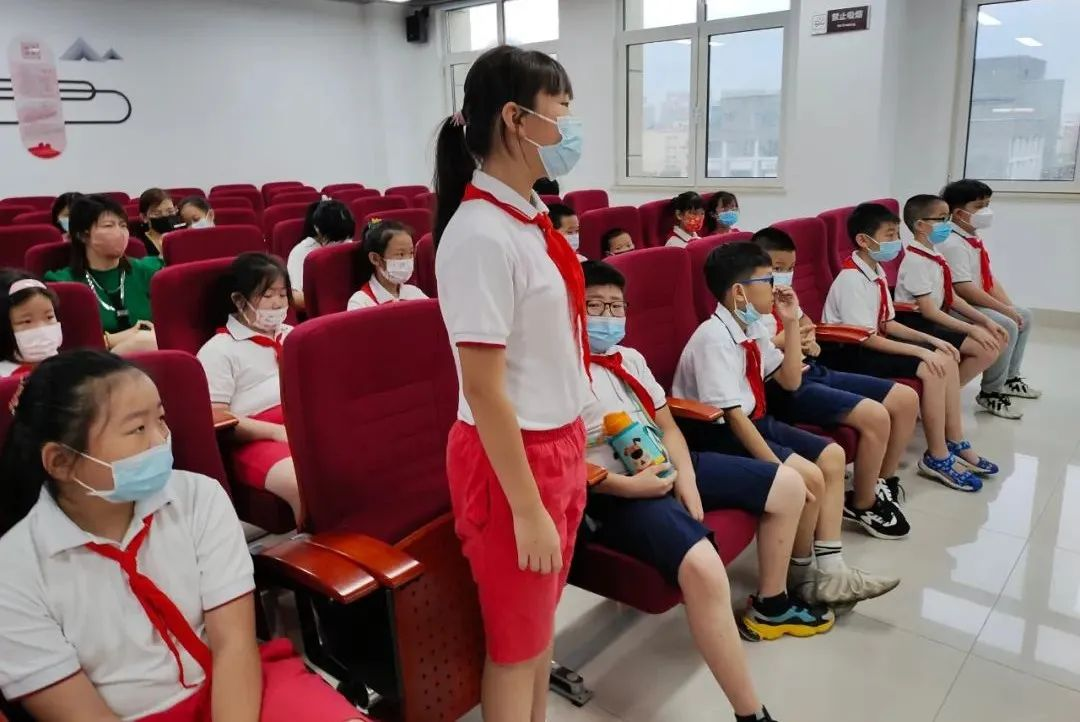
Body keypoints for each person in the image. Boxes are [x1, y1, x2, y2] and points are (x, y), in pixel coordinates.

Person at [0, 351, 366, 722]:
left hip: (237, 687)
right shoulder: (14, 571)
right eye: (138, 429)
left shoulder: (197, 498)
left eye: (160, 419)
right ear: (61, 462)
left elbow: (234, 645)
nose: (162, 439)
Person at [432, 45, 614, 722]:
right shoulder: (481, 235)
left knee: (538, 634)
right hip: (512, 461)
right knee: (514, 647)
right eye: (561, 108)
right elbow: (483, 389)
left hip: (554, 445)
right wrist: (529, 508)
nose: (571, 124)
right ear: (516, 118)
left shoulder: (531, 218)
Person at [582, 261, 831, 647]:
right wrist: (631, 486)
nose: (608, 317)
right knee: (702, 558)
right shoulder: (558, 374)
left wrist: (686, 477)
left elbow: (667, 426)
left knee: (790, 485)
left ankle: (772, 603)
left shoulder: (629, 358)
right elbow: (554, 461)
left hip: (668, 461)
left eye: (616, 307)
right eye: (595, 307)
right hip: (619, 490)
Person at [674, 242, 900, 607]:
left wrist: (792, 322)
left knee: (832, 456)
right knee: (806, 477)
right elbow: (732, 417)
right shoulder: (713, 338)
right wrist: (776, 467)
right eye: (768, 280)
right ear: (739, 292)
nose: (777, 286)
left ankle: (832, 568)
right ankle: (801, 574)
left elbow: (791, 380)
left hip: (754, 419)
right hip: (717, 433)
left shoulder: (751, 326)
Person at [752, 227, 917, 538]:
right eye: (776, 268)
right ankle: (863, 503)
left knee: (904, 398)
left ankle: (882, 481)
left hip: (810, 368)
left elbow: (805, 323)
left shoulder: (782, 295)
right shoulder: (750, 305)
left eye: (790, 268)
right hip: (780, 383)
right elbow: (752, 353)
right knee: (876, 416)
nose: (784, 274)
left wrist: (808, 338)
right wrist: (785, 340)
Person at [820, 203, 996, 490]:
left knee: (944, 356)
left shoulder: (874, 270)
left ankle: (954, 440)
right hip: (847, 353)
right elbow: (866, 337)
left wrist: (932, 341)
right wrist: (921, 351)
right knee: (931, 365)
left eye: (896, 234)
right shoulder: (851, 279)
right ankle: (937, 455)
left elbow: (887, 322)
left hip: (869, 344)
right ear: (864, 240)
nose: (896, 242)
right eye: (889, 235)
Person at [196, 253, 300, 523]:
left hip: (303, 424)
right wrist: (277, 432)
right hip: (256, 438)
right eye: (267, 295)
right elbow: (216, 417)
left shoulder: (294, 335)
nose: (278, 303)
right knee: (307, 480)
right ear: (239, 300)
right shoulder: (219, 350)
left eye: (282, 294)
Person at [897, 195, 1010, 411]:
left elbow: (952, 298)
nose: (947, 224)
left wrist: (986, 321)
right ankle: (935, 400)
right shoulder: (916, 261)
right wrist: (972, 329)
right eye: (941, 219)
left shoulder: (934, 253)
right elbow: (929, 311)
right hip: (916, 322)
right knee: (986, 349)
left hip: (934, 317)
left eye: (948, 218)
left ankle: (941, 396)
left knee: (996, 338)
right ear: (920, 225)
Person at [940, 179, 1040, 407]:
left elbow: (987, 277)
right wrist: (1005, 312)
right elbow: (963, 288)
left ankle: (1009, 379)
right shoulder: (953, 243)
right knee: (1007, 324)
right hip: (955, 306)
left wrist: (1009, 307)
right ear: (959, 213)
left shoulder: (970, 236)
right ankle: (990, 393)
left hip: (971, 302)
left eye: (987, 204)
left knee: (1024, 315)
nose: (986, 211)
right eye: (979, 206)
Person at [44, 194, 160, 355]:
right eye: (108, 226)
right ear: (82, 235)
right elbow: (69, 344)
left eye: (123, 225)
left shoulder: (147, 271)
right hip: (94, 363)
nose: (120, 233)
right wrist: (112, 340)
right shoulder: (63, 283)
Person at [346, 219, 427, 311]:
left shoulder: (415, 293)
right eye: (400, 254)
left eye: (411, 253)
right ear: (375, 259)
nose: (408, 260)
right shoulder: (360, 302)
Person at [287, 199, 355, 309]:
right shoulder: (301, 252)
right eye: (336, 239)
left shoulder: (349, 244)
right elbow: (295, 297)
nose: (343, 243)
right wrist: (330, 302)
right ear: (317, 229)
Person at [0, 271, 63, 378]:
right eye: (27, 321)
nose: (42, 329)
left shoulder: (68, 366)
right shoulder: (3, 376)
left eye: (49, 317)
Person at [135, 188, 184, 257]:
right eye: (157, 213)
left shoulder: (183, 234)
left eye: (170, 211)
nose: (165, 216)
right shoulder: (139, 245)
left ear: (175, 210)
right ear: (144, 217)